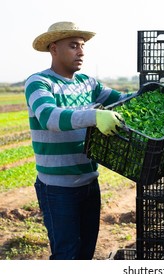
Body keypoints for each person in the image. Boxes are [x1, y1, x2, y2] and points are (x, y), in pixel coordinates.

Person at [24, 21, 131, 260]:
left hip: (90, 184)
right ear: (54, 48)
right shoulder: (39, 82)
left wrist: (156, 90)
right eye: (73, 46)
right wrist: (94, 115)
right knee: (66, 256)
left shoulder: (88, 83)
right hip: (57, 189)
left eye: (82, 46)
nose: (81, 52)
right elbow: (49, 117)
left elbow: (125, 100)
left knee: (85, 255)